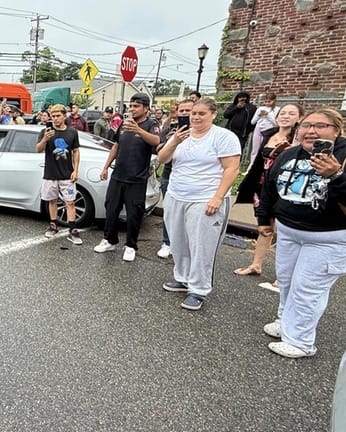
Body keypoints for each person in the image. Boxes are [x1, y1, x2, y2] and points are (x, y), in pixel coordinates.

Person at [256, 108, 346, 358]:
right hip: (290, 232)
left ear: (336, 131)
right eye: (306, 125)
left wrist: (336, 175)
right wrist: (264, 218)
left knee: (308, 288)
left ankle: (301, 341)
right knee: (287, 282)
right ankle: (286, 321)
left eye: (320, 126)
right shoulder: (289, 154)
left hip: (330, 238)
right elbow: (269, 187)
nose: (311, 131)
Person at [156, 98, 241, 311]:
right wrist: (174, 141)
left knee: (202, 245)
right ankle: (183, 278)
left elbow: (231, 169)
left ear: (213, 114)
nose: (195, 117)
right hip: (177, 195)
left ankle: (198, 289)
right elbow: (162, 159)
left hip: (205, 198)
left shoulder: (223, 137)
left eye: (201, 113)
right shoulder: (181, 135)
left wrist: (218, 197)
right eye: (193, 113)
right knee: (178, 241)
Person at [234, 103, 303, 280]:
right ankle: (256, 264)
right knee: (265, 226)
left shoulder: (301, 138)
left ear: (300, 118)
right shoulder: (269, 134)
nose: (286, 116)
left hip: (288, 188)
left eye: (291, 113)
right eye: (283, 113)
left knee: (288, 231)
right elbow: (257, 160)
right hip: (263, 186)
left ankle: (285, 276)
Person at [93, 93, 161, 262]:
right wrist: (106, 167)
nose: (132, 109)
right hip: (118, 175)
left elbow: (156, 141)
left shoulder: (151, 124)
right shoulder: (124, 124)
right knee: (111, 209)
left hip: (137, 178)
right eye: (130, 106)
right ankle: (109, 240)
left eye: (136, 106)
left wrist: (139, 130)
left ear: (146, 108)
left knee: (133, 214)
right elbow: (116, 146)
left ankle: (131, 245)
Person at [36, 103, 81, 244]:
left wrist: (76, 170)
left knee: (70, 202)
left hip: (67, 174)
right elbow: (38, 149)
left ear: (64, 116)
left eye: (58, 116)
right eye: (53, 116)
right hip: (50, 173)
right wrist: (45, 139)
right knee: (52, 200)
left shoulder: (72, 132)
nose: (55, 118)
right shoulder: (45, 131)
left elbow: (76, 151)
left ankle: (72, 230)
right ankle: (53, 225)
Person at [155, 99, 194, 259]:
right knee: (170, 212)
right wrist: (173, 140)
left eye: (188, 110)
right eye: (181, 110)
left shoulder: (200, 132)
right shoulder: (169, 130)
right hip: (169, 176)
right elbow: (159, 151)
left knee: (190, 215)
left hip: (192, 179)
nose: (184, 113)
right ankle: (167, 242)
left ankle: (187, 244)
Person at [248, 93, 279, 165]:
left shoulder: (277, 109)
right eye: (266, 101)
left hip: (269, 131)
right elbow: (252, 122)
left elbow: (276, 124)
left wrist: (268, 115)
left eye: (269, 101)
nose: (267, 103)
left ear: (274, 100)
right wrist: (258, 115)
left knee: (263, 150)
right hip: (258, 129)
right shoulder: (260, 108)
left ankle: (261, 165)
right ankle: (251, 166)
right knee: (255, 149)